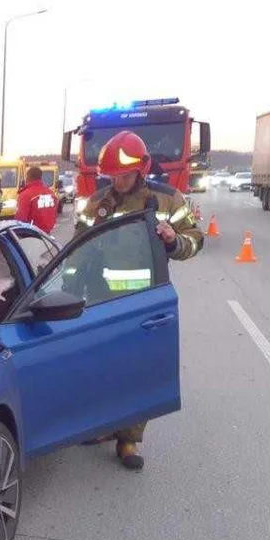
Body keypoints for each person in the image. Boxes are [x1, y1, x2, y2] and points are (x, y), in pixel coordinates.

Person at [76, 130, 202, 471]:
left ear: (141, 168)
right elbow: (78, 249)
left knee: (139, 369)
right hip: (102, 302)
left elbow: (194, 240)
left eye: (124, 175)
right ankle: (104, 426)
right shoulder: (96, 203)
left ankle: (128, 438)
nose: (118, 182)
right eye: (112, 176)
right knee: (104, 366)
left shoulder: (167, 201)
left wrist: (174, 241)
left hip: (145, 302)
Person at [15, 166, 59, 234]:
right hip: (47, 236)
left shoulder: (25, 195)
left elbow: (20, 219)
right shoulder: (51, 194)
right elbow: (55, 213)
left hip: (31, 234)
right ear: (40, 177)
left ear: (28, 177)